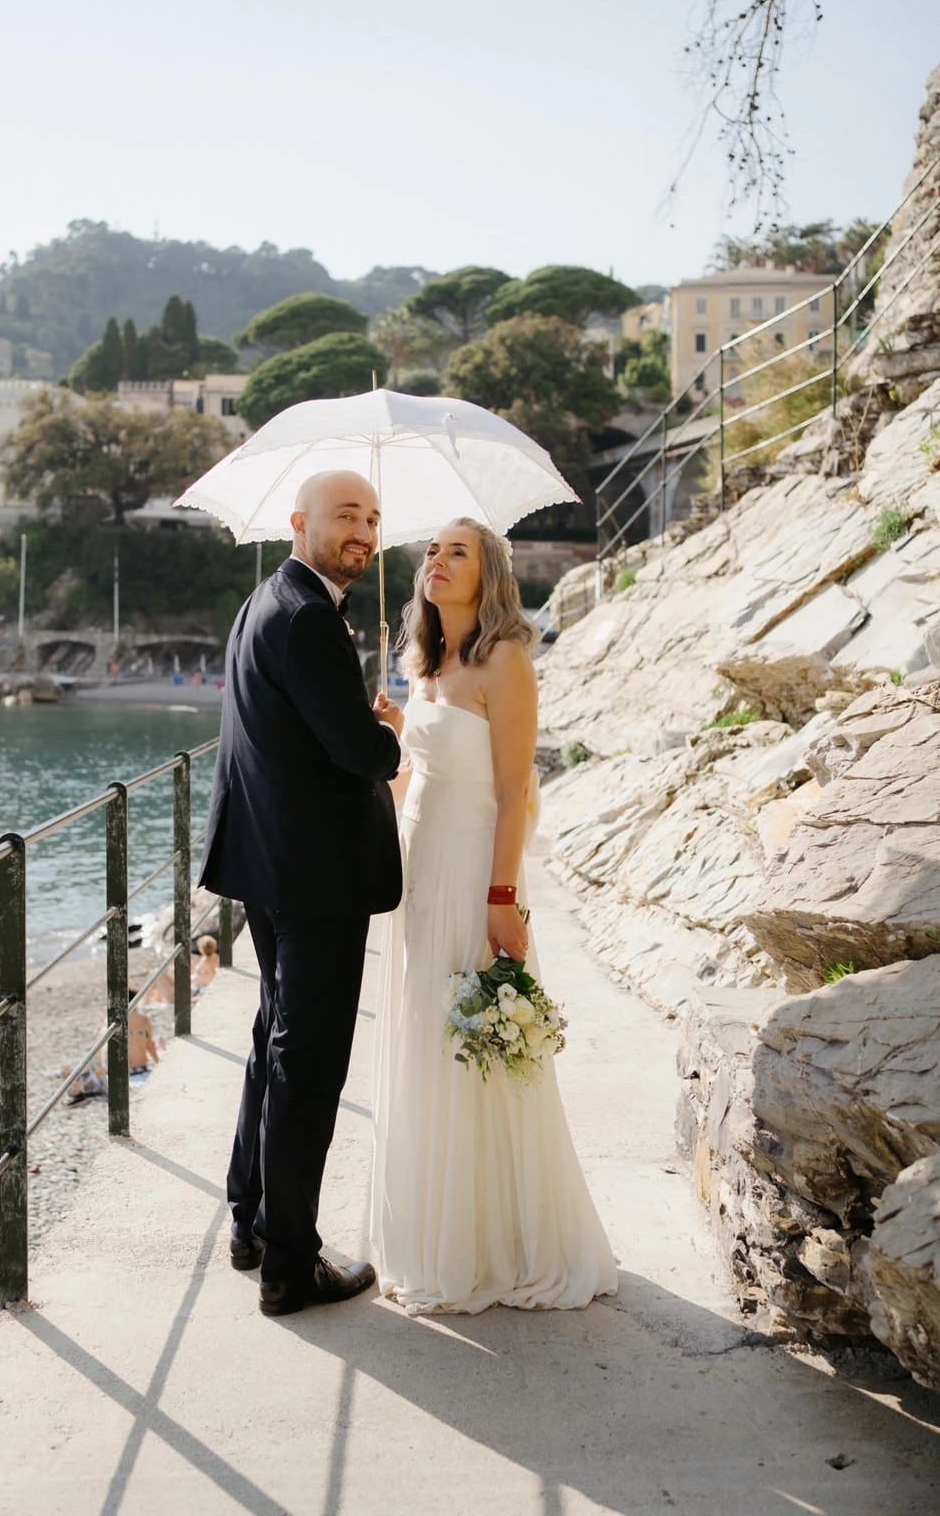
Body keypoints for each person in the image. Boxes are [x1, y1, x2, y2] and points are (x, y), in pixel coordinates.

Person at [372, 518, 617, 1315]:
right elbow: (415, 777)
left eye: (458, 552)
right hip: (418, 871)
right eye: (431, 551)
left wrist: (502, 899)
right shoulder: (424, 662)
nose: (438, 562)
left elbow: (514, 792)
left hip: (475, 868)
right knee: (427, 1039)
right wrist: (391, 737)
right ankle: (437, 1232)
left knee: (472, 1045)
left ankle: (498, 1246)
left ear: (489, 576)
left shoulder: (504, 660)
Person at [199, 469, 404, 1317]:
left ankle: (250, 1224)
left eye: (372, 518)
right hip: (315, 876)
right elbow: (359, 753)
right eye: (345, 515)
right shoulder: (309, 616)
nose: (363, 531)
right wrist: (387, 733)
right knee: (307, 1064)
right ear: (299, 522)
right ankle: (290, 1263)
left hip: (269, 865)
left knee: (273, 1041)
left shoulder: (265, 602)